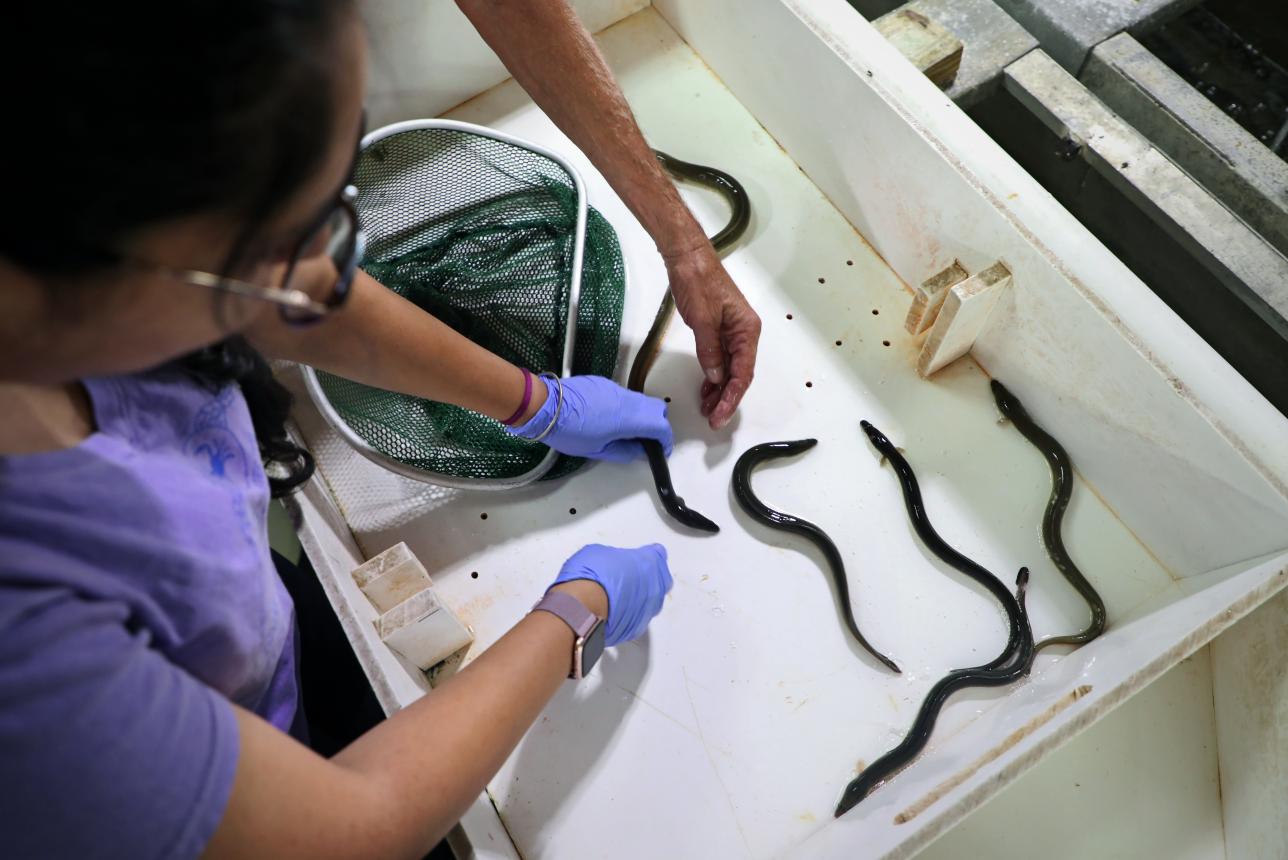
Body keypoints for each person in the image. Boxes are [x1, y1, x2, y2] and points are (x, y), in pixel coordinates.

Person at [0, 2, 760, 858]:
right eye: (295, 230)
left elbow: (288, 293)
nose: (332, 280)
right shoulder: (24, 652)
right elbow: (349, 831)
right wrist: (572, 614)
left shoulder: (91, 264)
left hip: (251, 648)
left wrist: (535, 401)